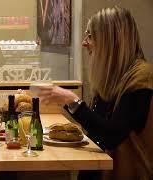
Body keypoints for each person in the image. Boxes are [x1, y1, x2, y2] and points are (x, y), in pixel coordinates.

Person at [38, 6, 153, 180]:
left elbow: (111, 135)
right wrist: (70, 102)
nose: (84, 42)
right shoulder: (112, 77)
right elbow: (97, 129)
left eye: (90, 36)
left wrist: (74, 101)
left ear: (111, 40)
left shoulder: (141, 78)